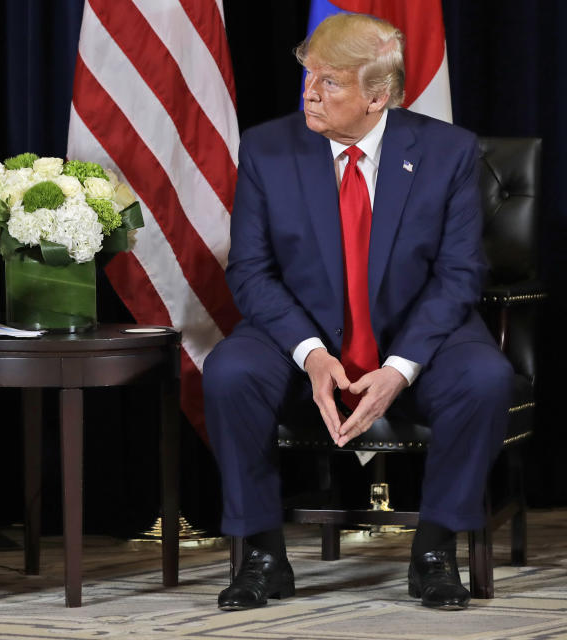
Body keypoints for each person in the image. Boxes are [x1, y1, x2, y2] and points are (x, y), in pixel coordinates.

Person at [203, 13, 511, 612]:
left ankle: (434, 551)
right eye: (309, 76)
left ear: (378, 96)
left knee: (485, 378)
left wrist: (400, 366)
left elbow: (458, 274)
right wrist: (311, 353)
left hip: (419, 329)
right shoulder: (268, 148)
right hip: (297, 331)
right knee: (229, 372)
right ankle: (263, 556)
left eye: (331, 82)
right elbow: (250, 271)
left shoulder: (447, 151)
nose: (310, 93)